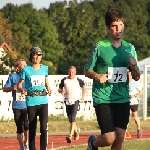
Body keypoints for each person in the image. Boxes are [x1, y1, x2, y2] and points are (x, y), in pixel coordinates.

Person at [84, 8, 141, 150]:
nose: (118, 29)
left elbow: (136, 77)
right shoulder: (99, 47)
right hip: (103, 98)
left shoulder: (129, 48)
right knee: (110, 138)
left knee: (120, 137)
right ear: (108, 27)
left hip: (122, 98)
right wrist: (97, 76)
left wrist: (134, 68)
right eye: (115, 26)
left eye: (121, 25)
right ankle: (93, 143)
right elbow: (86, 70)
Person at [17, 46, 52, 150]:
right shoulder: (26, 70)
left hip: (43, 101)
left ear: (41, 57)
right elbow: (19, 85)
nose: (37, 57)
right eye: (35, 55)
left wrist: (49, 88)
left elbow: (46, 82)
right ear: (31, 56)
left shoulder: (45, 68)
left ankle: (43, 148)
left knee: (43, 128)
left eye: (39, 55)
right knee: (32, 128)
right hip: (31, 102)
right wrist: (22, 90)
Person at [3, 59, 29, 150]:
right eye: (23, 65)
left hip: (27, 105)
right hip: (17, 106)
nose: (25, 67)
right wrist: (12, 88)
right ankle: (21, 146)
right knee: (19, 127)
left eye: (26, 65)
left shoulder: (28, 76)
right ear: (18, 68)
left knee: (26, 125)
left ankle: (26, 142)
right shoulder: (13, 76)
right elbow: (4, 88)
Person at [58, 66, 86, 143]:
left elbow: (84, 88)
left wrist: (82, 97)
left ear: (75, 72)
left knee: (73, 117)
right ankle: (76, 131)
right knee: (70, 119)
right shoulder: (64, 80)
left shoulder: (78, 80)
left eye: (72, 72)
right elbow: (59, 89)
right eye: (70, 72)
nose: (71, 74)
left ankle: (70, 135)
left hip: (75, 100)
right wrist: (61, 91)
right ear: (68, 72)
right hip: (67, 100)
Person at [128, 71, 143, 138]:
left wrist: (135, 95)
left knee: (135, 116)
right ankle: (124, 132)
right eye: (127, 74)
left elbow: (141, 92)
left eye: (130, 74)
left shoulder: (135, 82)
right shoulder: (124, 83)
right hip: (126, 102)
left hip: (134, 102)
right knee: (125, 116)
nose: (128, 76)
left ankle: (139, 129)